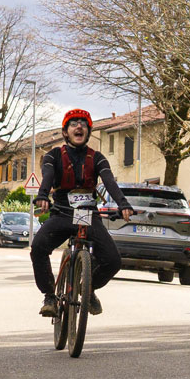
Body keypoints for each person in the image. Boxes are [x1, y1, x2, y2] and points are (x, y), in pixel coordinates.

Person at [31, 109, 133, 317]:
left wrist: (123, 204)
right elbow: (48, 175)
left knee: (113, 260)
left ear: (88, 131)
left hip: (88, 215)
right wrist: (42, 196)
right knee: (38, 247)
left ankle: (87, 289)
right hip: (62, 212)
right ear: (65, 132)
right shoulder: (53, 156)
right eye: (74, 124)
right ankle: (49, 295)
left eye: (83, 124)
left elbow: (109, 182)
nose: (79, 127)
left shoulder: (97, 158)